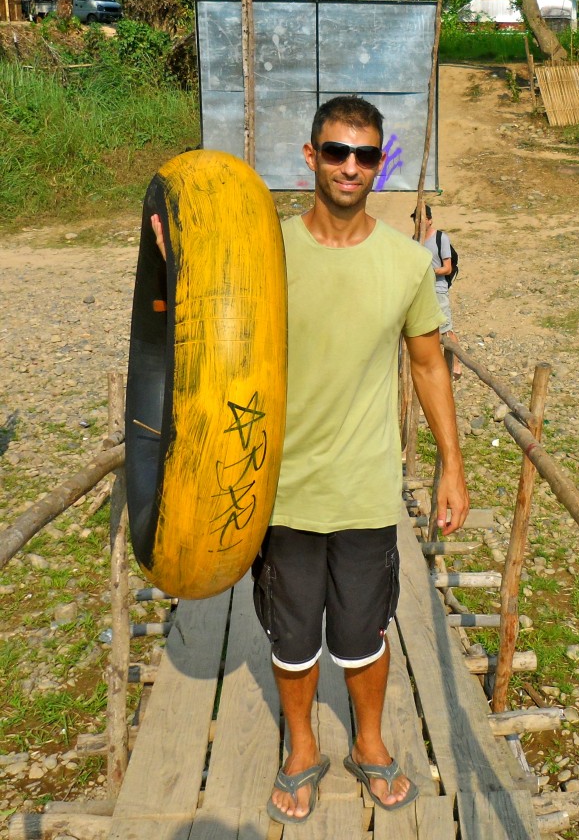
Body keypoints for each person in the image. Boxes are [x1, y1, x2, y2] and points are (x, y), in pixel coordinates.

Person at [152, 95, 469, 825]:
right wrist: (179, 267)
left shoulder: (405, 263)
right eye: (335, 151)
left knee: (363, 634)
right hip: (280, 489)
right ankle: (299, 747)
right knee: (292, 640)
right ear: (310, 158)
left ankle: (368, 741)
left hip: (362, 489)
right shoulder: (265, 251)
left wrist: (451, 464)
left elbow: (426, 365)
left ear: (379, 162)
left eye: (364, 155)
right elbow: (204, 324)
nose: (349, 167)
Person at [411, 204, 463, 379]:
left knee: (445, 328)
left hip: (438, 289)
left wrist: (428, 272)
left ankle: (455, 364)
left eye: (421, 218)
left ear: (430, 220)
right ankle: (434, 364)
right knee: (426, 329)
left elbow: (447, 268)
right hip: (421, 291)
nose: (418, 221)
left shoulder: (441, 238)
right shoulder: (414, 240)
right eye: (415, 218)